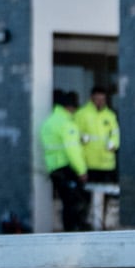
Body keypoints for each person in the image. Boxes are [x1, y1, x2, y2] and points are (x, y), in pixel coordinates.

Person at [38, 90, 90, 232]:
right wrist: (82, 170)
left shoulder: (49, 122)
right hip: (66, 168)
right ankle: (74, 234)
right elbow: (72, 150)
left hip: (54, 168)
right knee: (75, 204)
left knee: (66, 202)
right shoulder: (67, 124)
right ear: (69, 107)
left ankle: (68, 233)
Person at [72, 85, 121, 200]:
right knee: (88, 197)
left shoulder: (110, 115)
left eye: (103, 99)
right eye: (97, 99)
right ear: (91, 98)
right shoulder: (81, 114)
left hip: (107, 164)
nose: (100, 102)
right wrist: (81, 137)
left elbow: (116, 133)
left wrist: (114, 143)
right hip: (89, 164)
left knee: (107, 198)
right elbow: (73, 134)